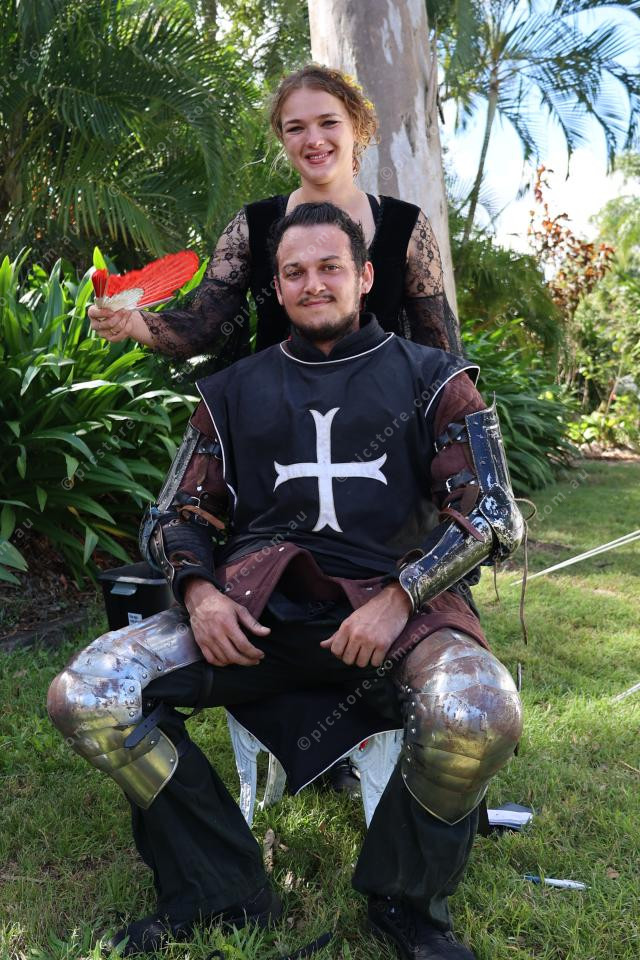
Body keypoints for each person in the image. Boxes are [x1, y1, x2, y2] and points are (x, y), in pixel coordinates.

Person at [49, 203, 523, 960]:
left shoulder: (435, 378)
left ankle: (406, 902)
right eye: (294, 272)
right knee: (89, 693)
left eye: (331, 267)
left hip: (399, 612)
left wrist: (401, 596)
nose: (313, 284)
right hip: (259, 610)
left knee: (480, 710)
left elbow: (493, 513)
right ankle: (218, 885)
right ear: (276, 287)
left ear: (365, 276)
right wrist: (200, 592)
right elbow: (177, 514)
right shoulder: (232, 389)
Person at [87, 63, 462, 362]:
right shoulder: (252, 225)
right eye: (296, 128)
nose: (314, 140)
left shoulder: (406, 225)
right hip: (279, 417)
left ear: (356, 126)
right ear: (283, 139)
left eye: (329, 122)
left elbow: (437, 347)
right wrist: (130, 322)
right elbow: (202, 326)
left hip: (386, 416)